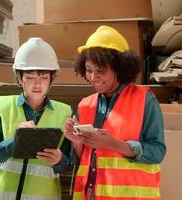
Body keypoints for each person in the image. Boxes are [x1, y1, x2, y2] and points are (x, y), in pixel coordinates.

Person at [64, 26, 166, 200]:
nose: (93, 77)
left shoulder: (145, 100)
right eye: (89, 70)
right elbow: (84, 159)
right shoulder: (85, 105)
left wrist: (113, 144)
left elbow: (157, 152)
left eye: (101, 70)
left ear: (119, 68)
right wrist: (76, 142)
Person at [0, 37, 72, 200]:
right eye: (30, 77)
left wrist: (59, 160)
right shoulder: (1, 108)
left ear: (52, 78)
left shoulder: (64, 113)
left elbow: (67, 164)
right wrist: (14, 140)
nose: (37, 84)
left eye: (43, 77)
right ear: (19, 77)